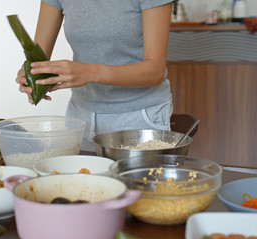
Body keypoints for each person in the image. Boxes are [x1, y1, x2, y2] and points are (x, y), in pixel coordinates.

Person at [16, 0, 174, 152]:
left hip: (138, 117)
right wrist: (31, 76)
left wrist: (89, 72)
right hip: (81, 117)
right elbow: (38, 61)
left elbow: (155, 71)